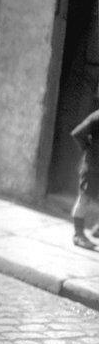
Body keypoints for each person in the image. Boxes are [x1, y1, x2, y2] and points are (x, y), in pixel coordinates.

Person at [71, 106, 99, 249]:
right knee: (84, 200)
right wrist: (89, 148)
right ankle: (78, 235)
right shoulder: (97, 117)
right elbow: (77, 133)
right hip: (92, 168)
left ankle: (96, 231)